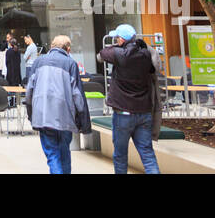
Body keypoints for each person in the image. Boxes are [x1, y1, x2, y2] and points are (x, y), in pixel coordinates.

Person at [98, 23, 161, 174]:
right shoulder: (146, 55)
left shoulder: (118, 54)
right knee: (147, 153)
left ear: (120, 40)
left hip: (123, 114)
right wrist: (141, 45)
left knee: (120, 155)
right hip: (144, 113)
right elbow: (155, 65)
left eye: (117, 38)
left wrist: (118, 46)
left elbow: (101, 55)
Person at [27, 35, 90, 174]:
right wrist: (83, 122)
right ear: (68, 49)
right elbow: (78, 96)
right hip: (65, 118)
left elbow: (29, 92)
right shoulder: (70, 63)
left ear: (51, 46)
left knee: (53, 156)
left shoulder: (38, 62)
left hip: (43, 117)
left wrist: (31, 115)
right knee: (64, 153)